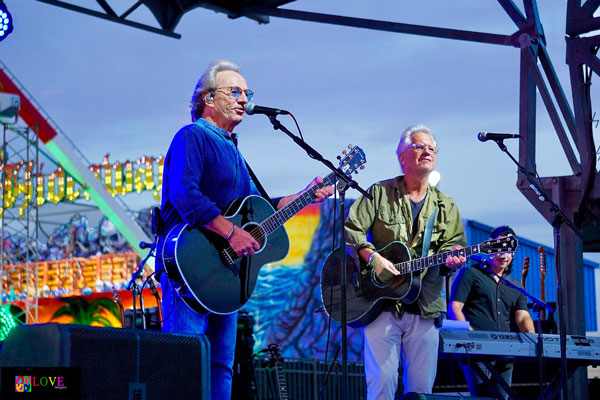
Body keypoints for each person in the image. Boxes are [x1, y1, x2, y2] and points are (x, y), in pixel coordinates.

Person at [156, 60, 333, 400]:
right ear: (208, 98)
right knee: (184, 368)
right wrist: (230, 233)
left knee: (221, 370)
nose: (244, 99)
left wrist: (307, 194)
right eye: (234, 91)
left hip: (226, 279)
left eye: (246, 92)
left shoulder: (233, 150)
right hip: (189, 268)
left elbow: (261, 207)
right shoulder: (193, 136)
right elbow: (184, 194)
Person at [345, 124, 467, 399]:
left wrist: (455, 259)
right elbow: (351, 230)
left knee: (421, 389)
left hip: (425, 305)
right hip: (380, 303)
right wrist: (372, 257)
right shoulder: (378, 193)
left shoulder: (445, 205)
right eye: (419, 146)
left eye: (432, 148)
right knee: (382, 382)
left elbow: (454, 245)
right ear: (401, 157)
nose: (427, 151)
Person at [448, 225, 535, 400]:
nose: (503, 255)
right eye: (499, 248)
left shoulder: (515, 285)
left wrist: (534, 339)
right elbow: (454, 307)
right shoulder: (471, 273)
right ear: (490, 248)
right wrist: (470, 336)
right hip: (476, 352)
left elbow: (523, 316)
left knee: (503, 397)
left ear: (512, 254)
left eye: (508, 250)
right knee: (481, 397)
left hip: (506, 353)